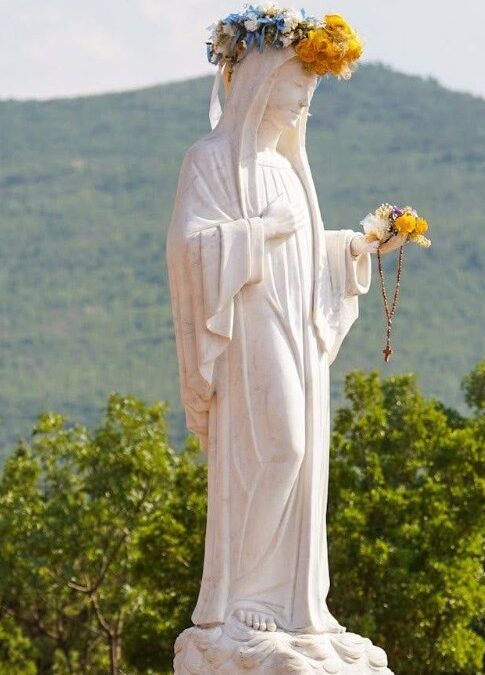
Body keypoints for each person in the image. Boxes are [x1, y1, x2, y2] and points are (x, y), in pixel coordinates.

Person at [165, 29, 404, 638]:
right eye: (293, 96)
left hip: (295, 320)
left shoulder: (289, 170)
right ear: (257, 90)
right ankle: (246, 591)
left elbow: (304, 253)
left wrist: (357, 247)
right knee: (285, 446)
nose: (303, 110)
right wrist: (259, 231)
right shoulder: (211, 160)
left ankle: (285, 600)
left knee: (300, 457)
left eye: (307, 101)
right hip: (248, 326)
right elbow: (190, 249)